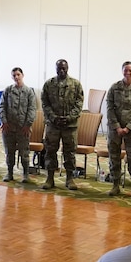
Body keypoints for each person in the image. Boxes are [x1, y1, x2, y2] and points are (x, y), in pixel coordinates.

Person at [40, 58, 84, 190]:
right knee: (50, 151)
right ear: (56, 69)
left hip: (69, 126)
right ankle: (50, 178)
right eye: (59, 68)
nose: (61, 70)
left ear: (68, 68)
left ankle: (70, 178)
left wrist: (69, 117)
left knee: (69, 152)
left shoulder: (75, 84)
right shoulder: (49, 84)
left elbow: (79, 103)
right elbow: (45, 103)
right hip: (53, 125)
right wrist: (53, 117)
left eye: (64, 68)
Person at [105, 61, 131, 197]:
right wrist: (117, 127)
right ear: (122, 71)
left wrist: (128, 128)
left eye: (130, 70)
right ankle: (115, 185)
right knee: (114, 157)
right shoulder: (114, 88)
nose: (128, 73)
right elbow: (109, 108)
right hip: (114, 130)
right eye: (125, 70)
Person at [0, 67, 36, 184]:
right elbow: (1, 107)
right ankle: (9, 173)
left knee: (24, 152)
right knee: (9, 152)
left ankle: (25, 174)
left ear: (22, 75)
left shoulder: (29, 91)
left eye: (18, 75)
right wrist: (4, 121)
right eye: (14, 75)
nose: (16, 77)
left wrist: (28, 124)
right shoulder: (8, 91)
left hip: (23, 128)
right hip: (9, 127)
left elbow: (32, 109)